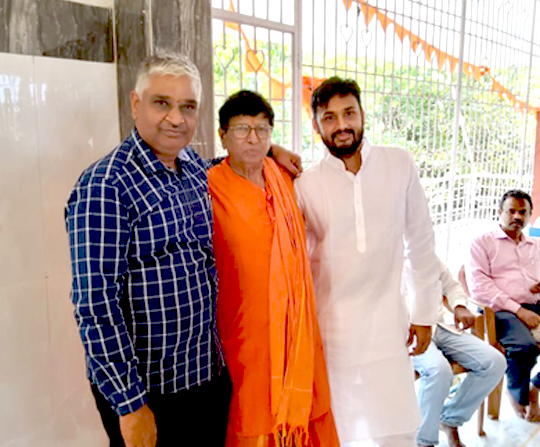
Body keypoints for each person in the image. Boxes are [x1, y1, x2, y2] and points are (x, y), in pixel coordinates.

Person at [65, 52, 300, 447]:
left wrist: (267, 148)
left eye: (188, 107)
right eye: (162, 103)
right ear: (136, 104)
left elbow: (227, 160)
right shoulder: (106, 186)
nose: (176, 118)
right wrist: (130, 404)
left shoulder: (191, 167)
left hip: (206, 377)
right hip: (151, 393)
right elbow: (96, 305)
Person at [294, 76, 440, 447]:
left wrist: (425, 313)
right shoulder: (305, 185)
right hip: (332, 338)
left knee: (398, 434)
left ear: (362, 114)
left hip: (389, 331)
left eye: (349, 113)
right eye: (329, 117)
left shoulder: (399, 164)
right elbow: (293, 260)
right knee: (339, 435)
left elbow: (421, 241)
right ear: (316, 126)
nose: (341, 125)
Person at [208, 90, 340, 447]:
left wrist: (274, 151)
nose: (253, 138)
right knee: (254, 418)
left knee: (308, 415)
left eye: (262, 130)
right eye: (242, 129)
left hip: (297, 328)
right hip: (245, 332)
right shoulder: (208, 185)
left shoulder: (284, 176)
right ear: (223, 135)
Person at [412, 259, 506, 447]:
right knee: (439, 371)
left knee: (495, 362)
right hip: (408, 333)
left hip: (439, 327)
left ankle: (450, 419)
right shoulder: (383, 258)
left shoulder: (426, 255)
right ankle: (423, 441)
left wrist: (459, 307)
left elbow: (451, 285)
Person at [467, 189, 540, 422]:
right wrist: (519, 311)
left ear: (529, 215)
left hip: (535, 304)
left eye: (523, 212)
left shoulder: (535, 245)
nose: (517, 216)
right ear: (499, 212)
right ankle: (517, 393)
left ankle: (536, 387)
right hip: (500, 310)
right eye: (511, 211)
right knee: (525, 347)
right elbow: (480, 287)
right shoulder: (482, 243)